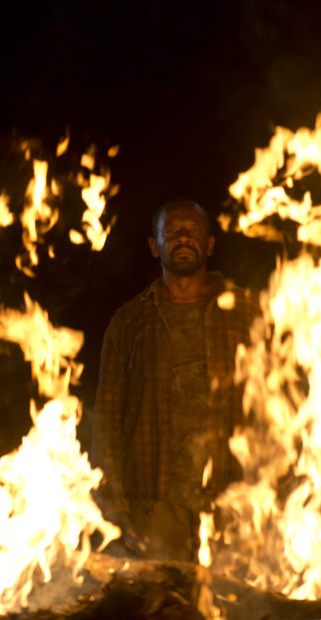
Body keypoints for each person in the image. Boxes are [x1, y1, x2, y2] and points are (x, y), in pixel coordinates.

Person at [92, 198, 259, 561]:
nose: (184, 238)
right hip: (155, 508)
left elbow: (280, 405)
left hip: (234, 504)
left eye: (194, 230)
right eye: (172, 231)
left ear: (210, 244)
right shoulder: (130, 322)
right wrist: (116, 507)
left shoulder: (247, 311)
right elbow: (107, 422)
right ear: (154, 245)